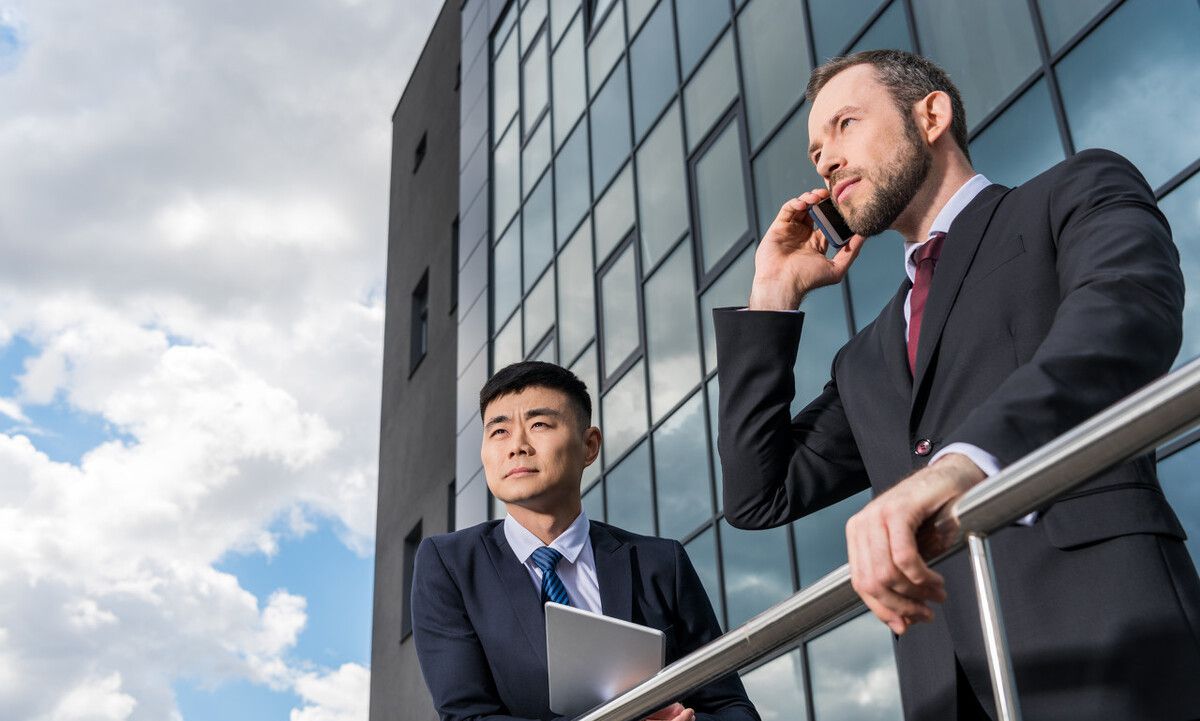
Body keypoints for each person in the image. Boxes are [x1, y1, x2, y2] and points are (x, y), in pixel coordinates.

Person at [714, 49, 1200, 720]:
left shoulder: (1072, 194)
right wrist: (772, 298)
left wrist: (965, 462)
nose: (825, 158)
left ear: (932, 114)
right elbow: (757, 494)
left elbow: (1124, 316)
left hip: (1111, 651)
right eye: (815, 148)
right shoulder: (865, 357)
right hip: (947, 690)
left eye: (845, 124)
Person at [411, 361, 759, 721]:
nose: (517, 446)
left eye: (539, 424)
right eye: (498, 431)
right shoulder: (449, 564)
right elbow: (467, 716)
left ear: (589, 445)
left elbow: (733, 709)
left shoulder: (659, 562)